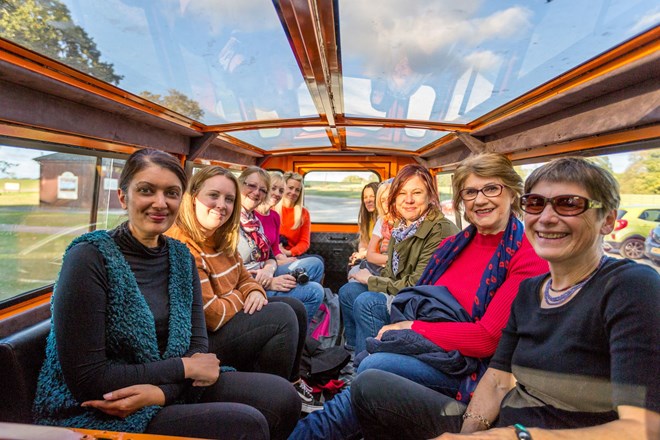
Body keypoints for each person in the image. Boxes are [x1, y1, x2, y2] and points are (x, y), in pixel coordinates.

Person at [352, 157, 660, 440]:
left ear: (607, 220)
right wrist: (469, 433)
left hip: (536, 433)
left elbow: (645, 428)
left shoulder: (629, 286)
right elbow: (498, 380)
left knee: (373, 363)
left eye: (568, 204)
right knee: (368, 386)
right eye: (536, 204)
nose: (546, 218)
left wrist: (517, 437)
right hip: (497, 421)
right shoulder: (532, 291)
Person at [32, 149, 300, 440]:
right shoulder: (89, 258)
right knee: (246, 425)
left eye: (171, 193)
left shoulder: (180, 257)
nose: (160, 203)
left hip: (165, 387)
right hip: (100, 407)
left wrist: (161, 393)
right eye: (146, 190)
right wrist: (185, 368)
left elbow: (198, 345)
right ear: (123, 197)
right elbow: (89, 379)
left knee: (284, 398)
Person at [290, 153, 548, 440]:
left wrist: (411, 328)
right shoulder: (455, 245)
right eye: (470, 192)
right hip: (432, 346)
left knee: (373, 366)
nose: (480, 199)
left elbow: (486, 339)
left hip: (469, 368)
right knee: (368, 365)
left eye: (491, 188)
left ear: (512, 192)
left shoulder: (526, 255)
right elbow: (418, 294)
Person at [165, 166, 317, 412]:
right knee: (282, 317)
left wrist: (254, 290)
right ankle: (272, 401)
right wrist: (242, 293)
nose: (221, 205)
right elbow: (213, 314)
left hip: (227, 317)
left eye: (228, 199)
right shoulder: (185, 245)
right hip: (202, 342)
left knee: (295, 308)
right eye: (213, 196)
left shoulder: (220, 237)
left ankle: (292, 383)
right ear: (193, 197)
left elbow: (245, 277)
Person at [340, 163, 459, 355]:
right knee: (348, 291)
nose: (409, 200)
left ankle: (370, 363)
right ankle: (353, 353)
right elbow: (390, 272)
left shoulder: (440, 230)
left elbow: (417, 285)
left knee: (367, 301)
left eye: (417, 192)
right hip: (402, 292)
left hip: (422, 304)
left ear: (430, 196)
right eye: (402, 193)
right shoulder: (401, 227)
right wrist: (372, 278)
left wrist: (371, 280)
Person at [237, 167, 324, 324]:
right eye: (251, 186)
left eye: (262, 189)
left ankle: (299, 317)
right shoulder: (235, 220)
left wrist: (276, 264)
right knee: (315, 291)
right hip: (252, 282)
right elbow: (230, 270)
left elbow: (272, 251)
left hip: (267, 269)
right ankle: (297, 321)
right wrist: (270, 280)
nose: (257, 193)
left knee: (316, 263)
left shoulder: (254, 221)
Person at [275, 171, 322, 261]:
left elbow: (304, 242)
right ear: (282, 188)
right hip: (273, 254)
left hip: (293, 255)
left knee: (318, 260)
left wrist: (288, 253)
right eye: (290, 188)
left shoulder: (304, 213)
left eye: (297, 190)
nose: (293, 192)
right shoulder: (272, 209)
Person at [364, 178, 394, 271]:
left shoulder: (408, 224)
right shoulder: (382, 221)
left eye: (389, 198)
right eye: (382, 200)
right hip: (382, 265)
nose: (386, 203)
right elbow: (370, 254)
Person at [348, 182, 379, 267]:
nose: (368, 200)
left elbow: (382, 248)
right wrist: (361, 253)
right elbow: (363, 241)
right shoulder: (368, 220)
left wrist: (364, 254)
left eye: (372, 196)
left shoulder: (385, 221)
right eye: (365, 197)